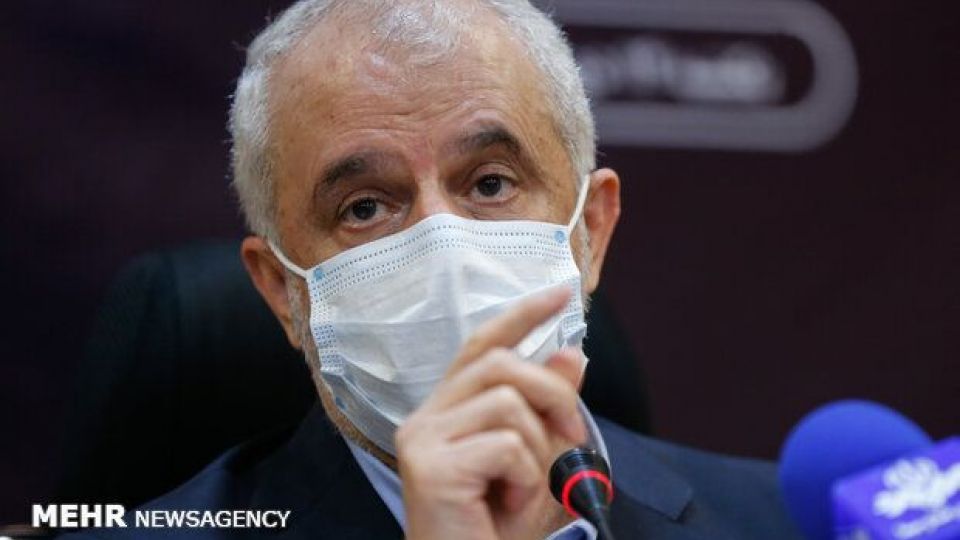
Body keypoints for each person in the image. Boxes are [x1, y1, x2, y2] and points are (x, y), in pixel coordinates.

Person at [61, 0, 800, 538]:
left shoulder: (786, 521)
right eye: (363, 207)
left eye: (490, 183)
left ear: (591, 233)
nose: (442, 246)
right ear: (283, 291)